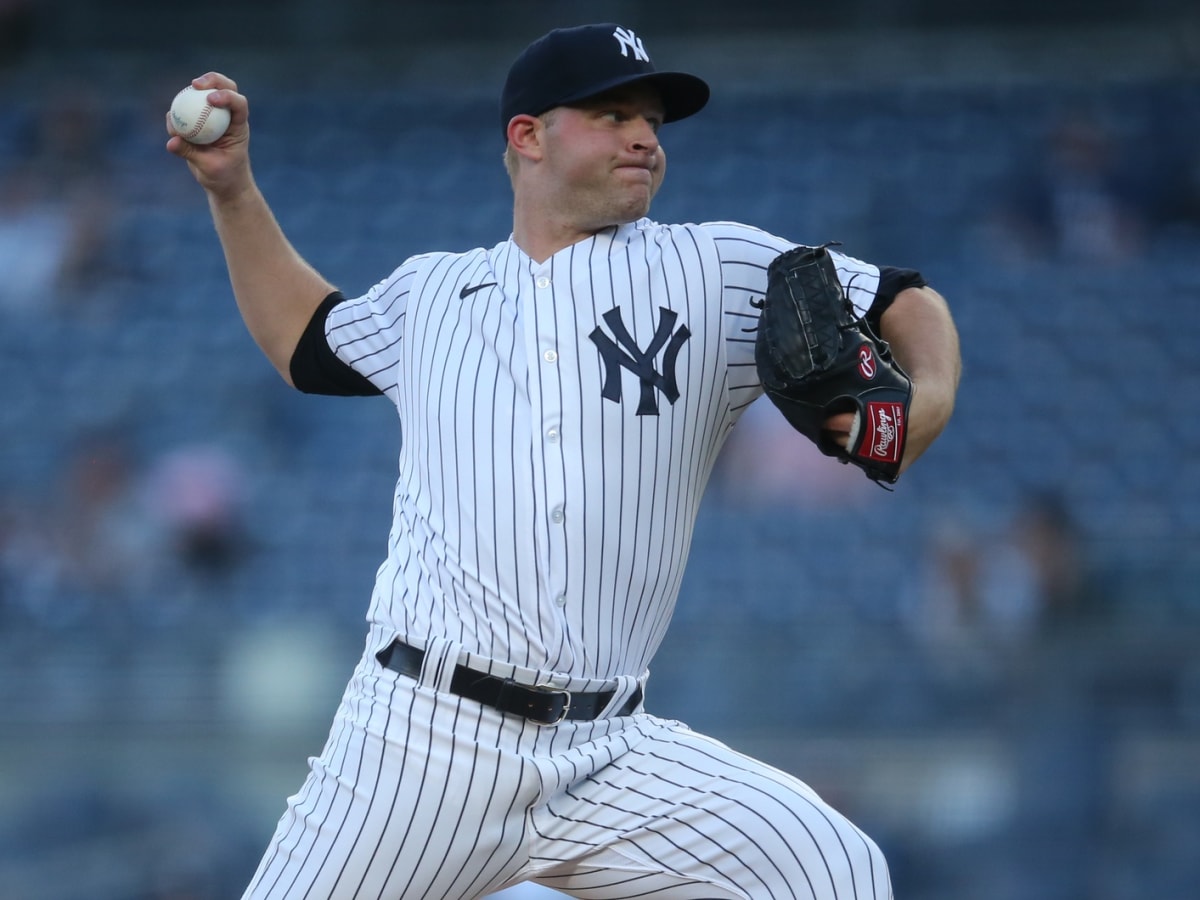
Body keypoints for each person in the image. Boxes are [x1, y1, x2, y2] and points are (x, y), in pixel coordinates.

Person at [167, 23, 961, 900]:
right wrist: (233, 191)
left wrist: (926, 401)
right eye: (614, 113)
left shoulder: (717, 265)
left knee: (834, 871)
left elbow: (901, 297)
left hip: (610, 755)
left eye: (653, 121)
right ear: (528, 136)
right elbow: (306, 341)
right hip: (420, 741)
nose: (644, 137)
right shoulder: (434, 294)